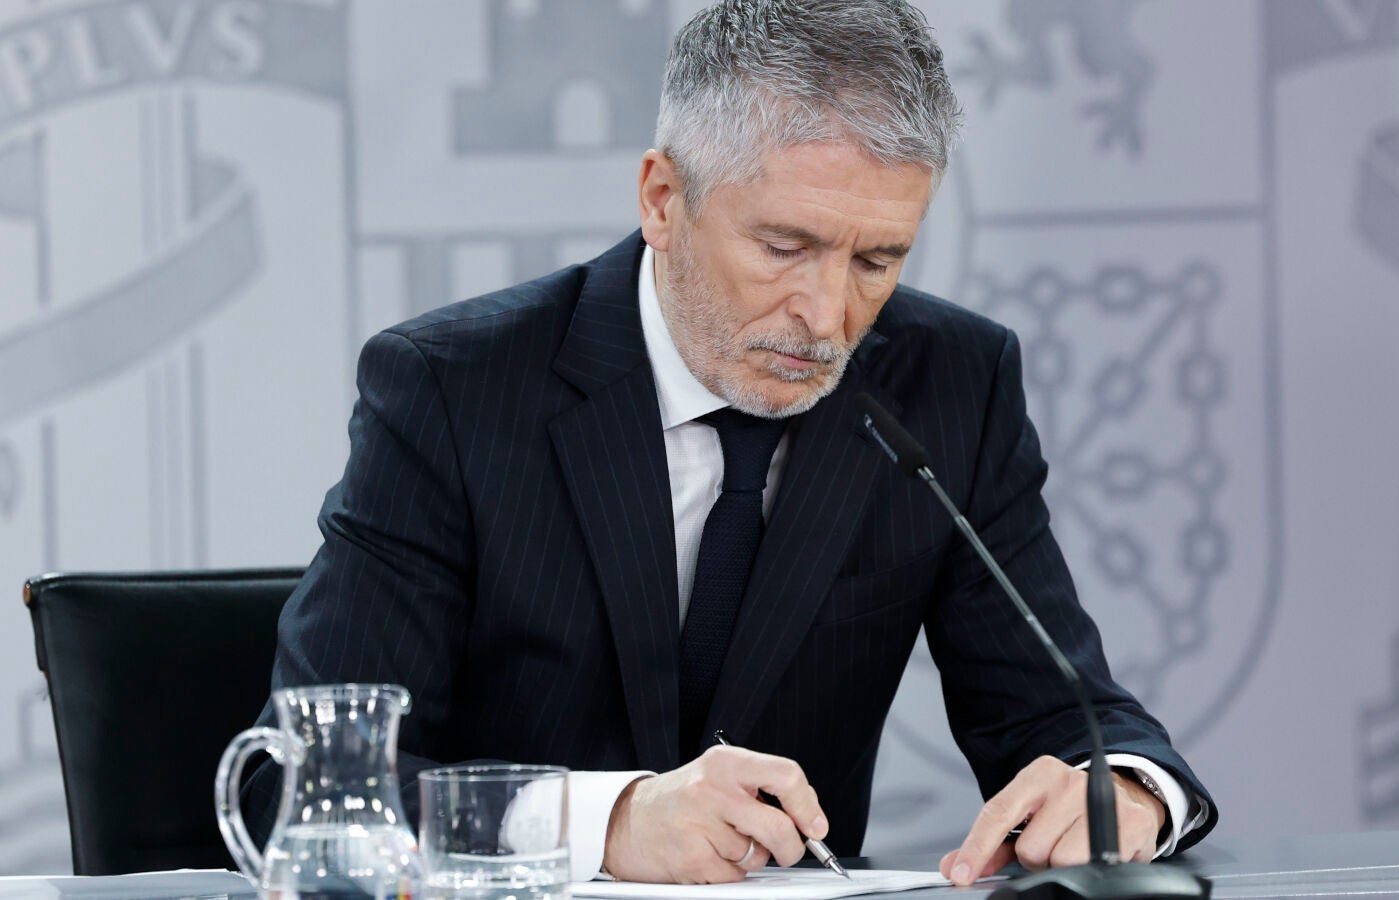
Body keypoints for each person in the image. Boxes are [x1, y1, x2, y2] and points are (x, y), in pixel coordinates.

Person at [242, 0, 1215, 885]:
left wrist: (1125, 792)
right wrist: (608, 822)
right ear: (663, 200)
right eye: (784, 248)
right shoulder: (453, 388)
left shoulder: (952, 383)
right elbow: (302, 786)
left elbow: (1070, 716)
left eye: (877, 260)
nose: (826, 317)